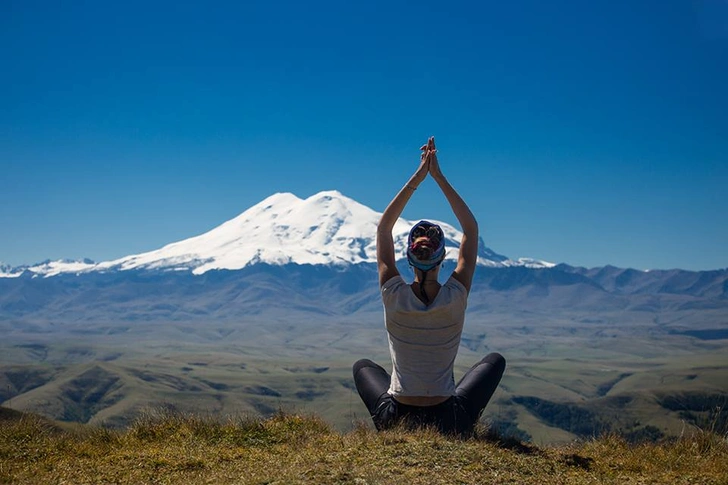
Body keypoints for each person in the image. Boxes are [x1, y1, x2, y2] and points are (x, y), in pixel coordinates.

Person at [353, 136, 506, 436]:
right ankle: (464, 428)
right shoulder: (455, 295)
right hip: (448, 421)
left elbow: (383, 228)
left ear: (408, 259)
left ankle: (390, 430)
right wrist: (438, 177)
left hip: (397, 418)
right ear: (442, 259)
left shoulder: (392, 294)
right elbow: (470, 230)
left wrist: (418, 178)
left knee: (364, 366)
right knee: (494, 361)